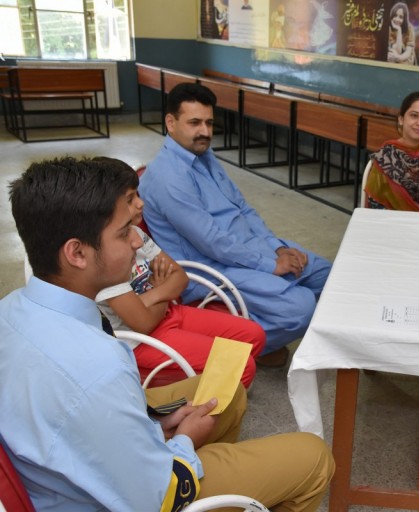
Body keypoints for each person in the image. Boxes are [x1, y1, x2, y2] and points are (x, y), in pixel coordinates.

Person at [0, 156, 334, 511]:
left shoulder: (10, 309)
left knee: (229, 393)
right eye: (123, 232)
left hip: (68, 467)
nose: (136, 241)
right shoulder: (100, 368)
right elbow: (157, 497)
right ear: (77, 253)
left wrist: (155, 424)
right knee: (314, 457)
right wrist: (183, 443)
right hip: (142, 496)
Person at [140, 83, 332, 368]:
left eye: (209, 123)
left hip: (246, 248)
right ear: (171, 122)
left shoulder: (203, 156)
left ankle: (259, 327)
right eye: (194, 123)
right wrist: (270, 265)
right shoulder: (167, 177)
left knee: (326, 276)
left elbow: (242, 208)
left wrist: (277, 247)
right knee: (300, 308)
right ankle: (247, 345)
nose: (205, 131)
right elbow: (211, 241)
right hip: (211, 267)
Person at [94, 157, 265, 389]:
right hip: (141, 341)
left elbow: (179, 277)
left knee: (254, 335)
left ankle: (211, 388)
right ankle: (199, 406)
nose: (141, 203)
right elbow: (143, 324)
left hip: (168, 313)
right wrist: (162, 289)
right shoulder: (104, 260)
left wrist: (152, 296)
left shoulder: (136, 233)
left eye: (138, 195)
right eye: (130, 199)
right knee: (243, 365)